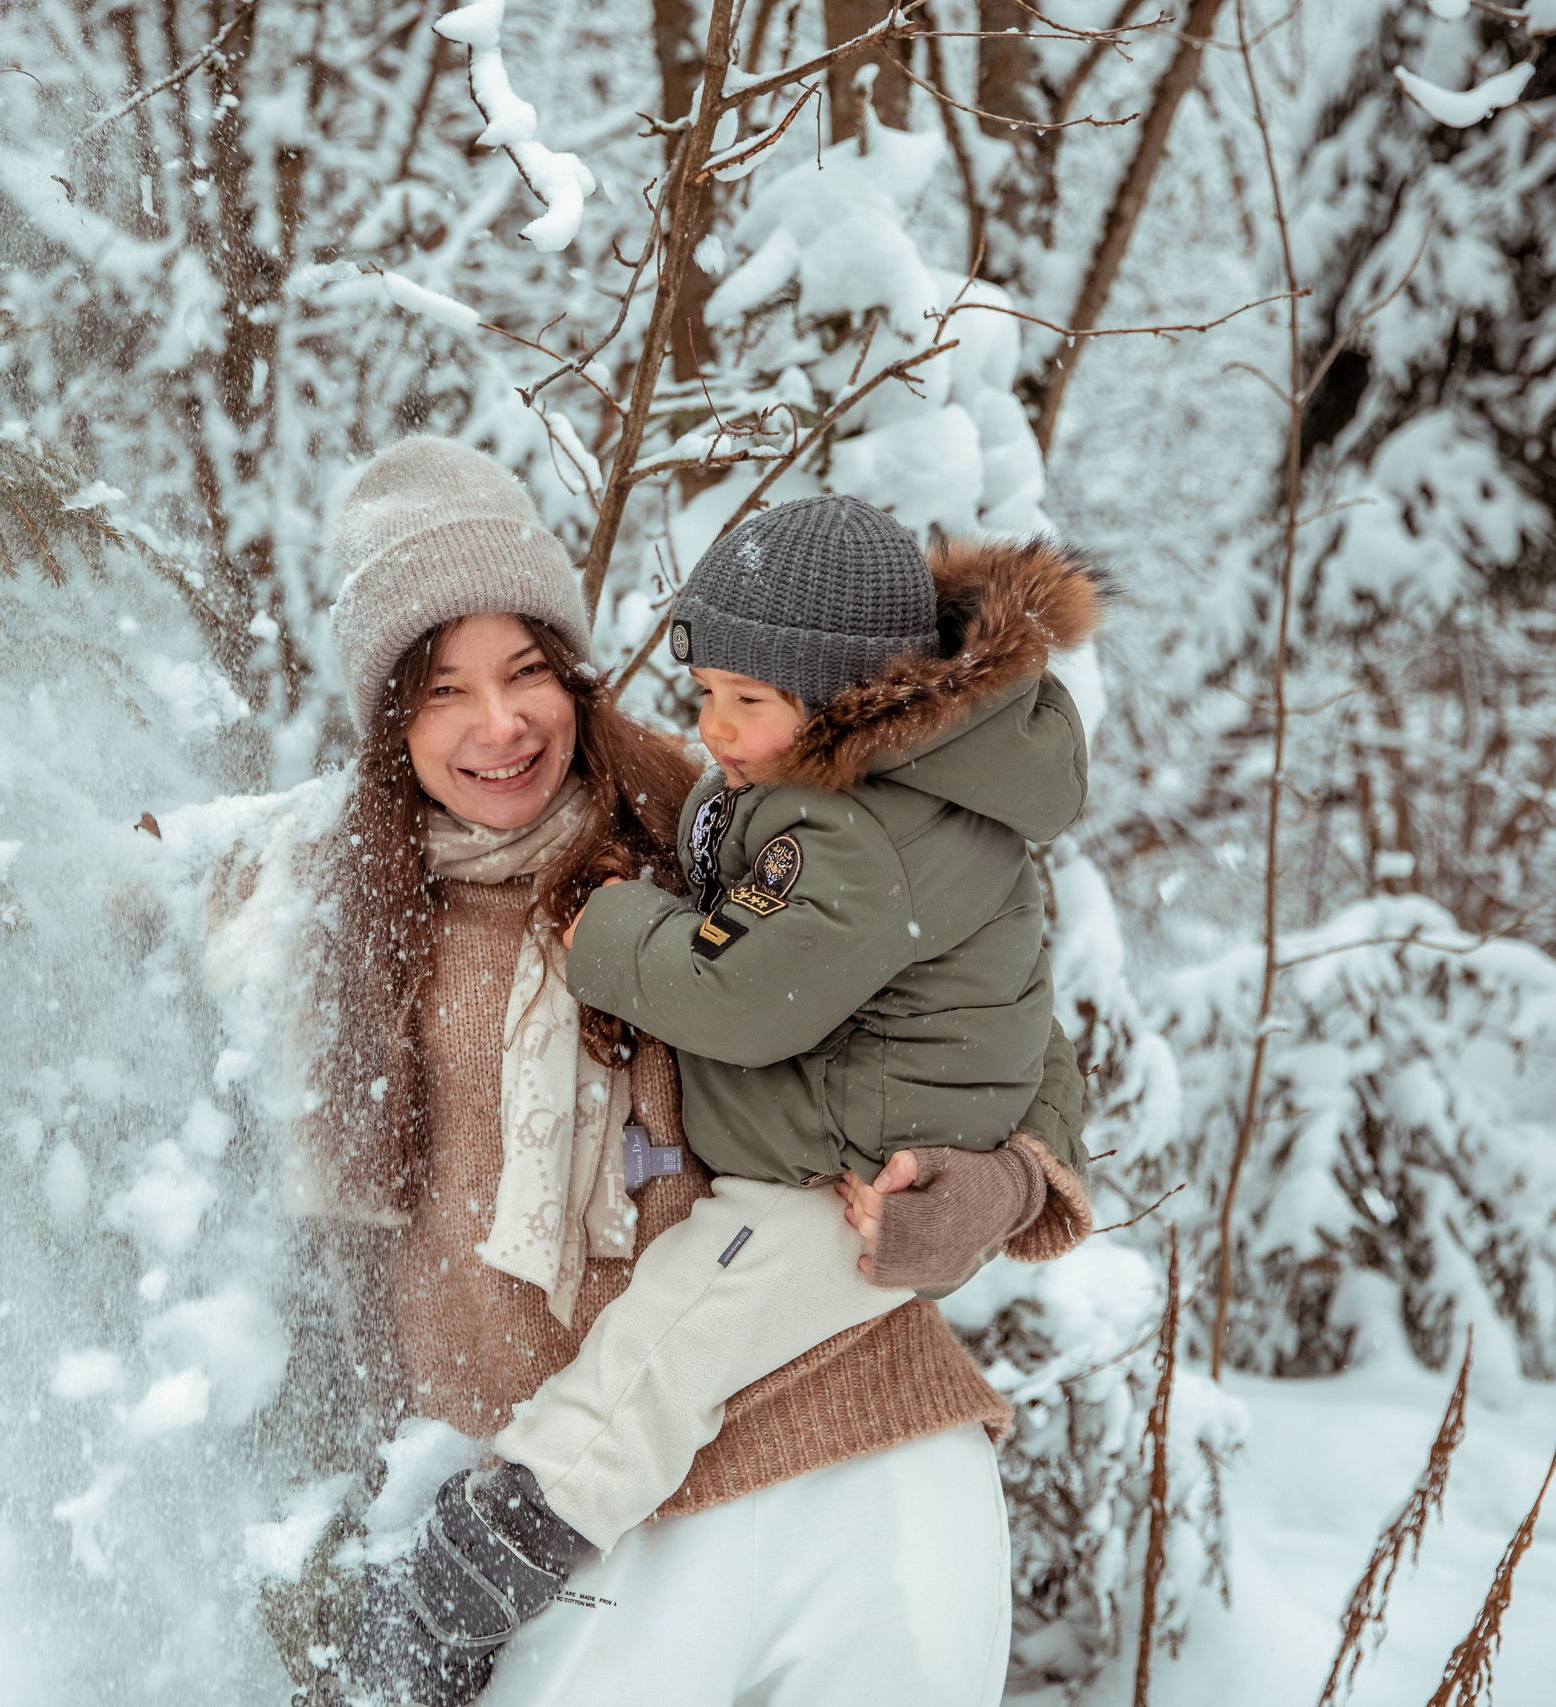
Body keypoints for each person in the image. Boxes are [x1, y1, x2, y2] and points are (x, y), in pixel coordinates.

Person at [277, 438, 1092, 1707]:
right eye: (442, 690)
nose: (499, 725)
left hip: (856, 1462)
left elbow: (989, 1006)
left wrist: (1010, 1184)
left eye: (527, 672)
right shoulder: (332, 916)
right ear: (389, 721)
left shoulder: (705, 820)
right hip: (564, 1547)